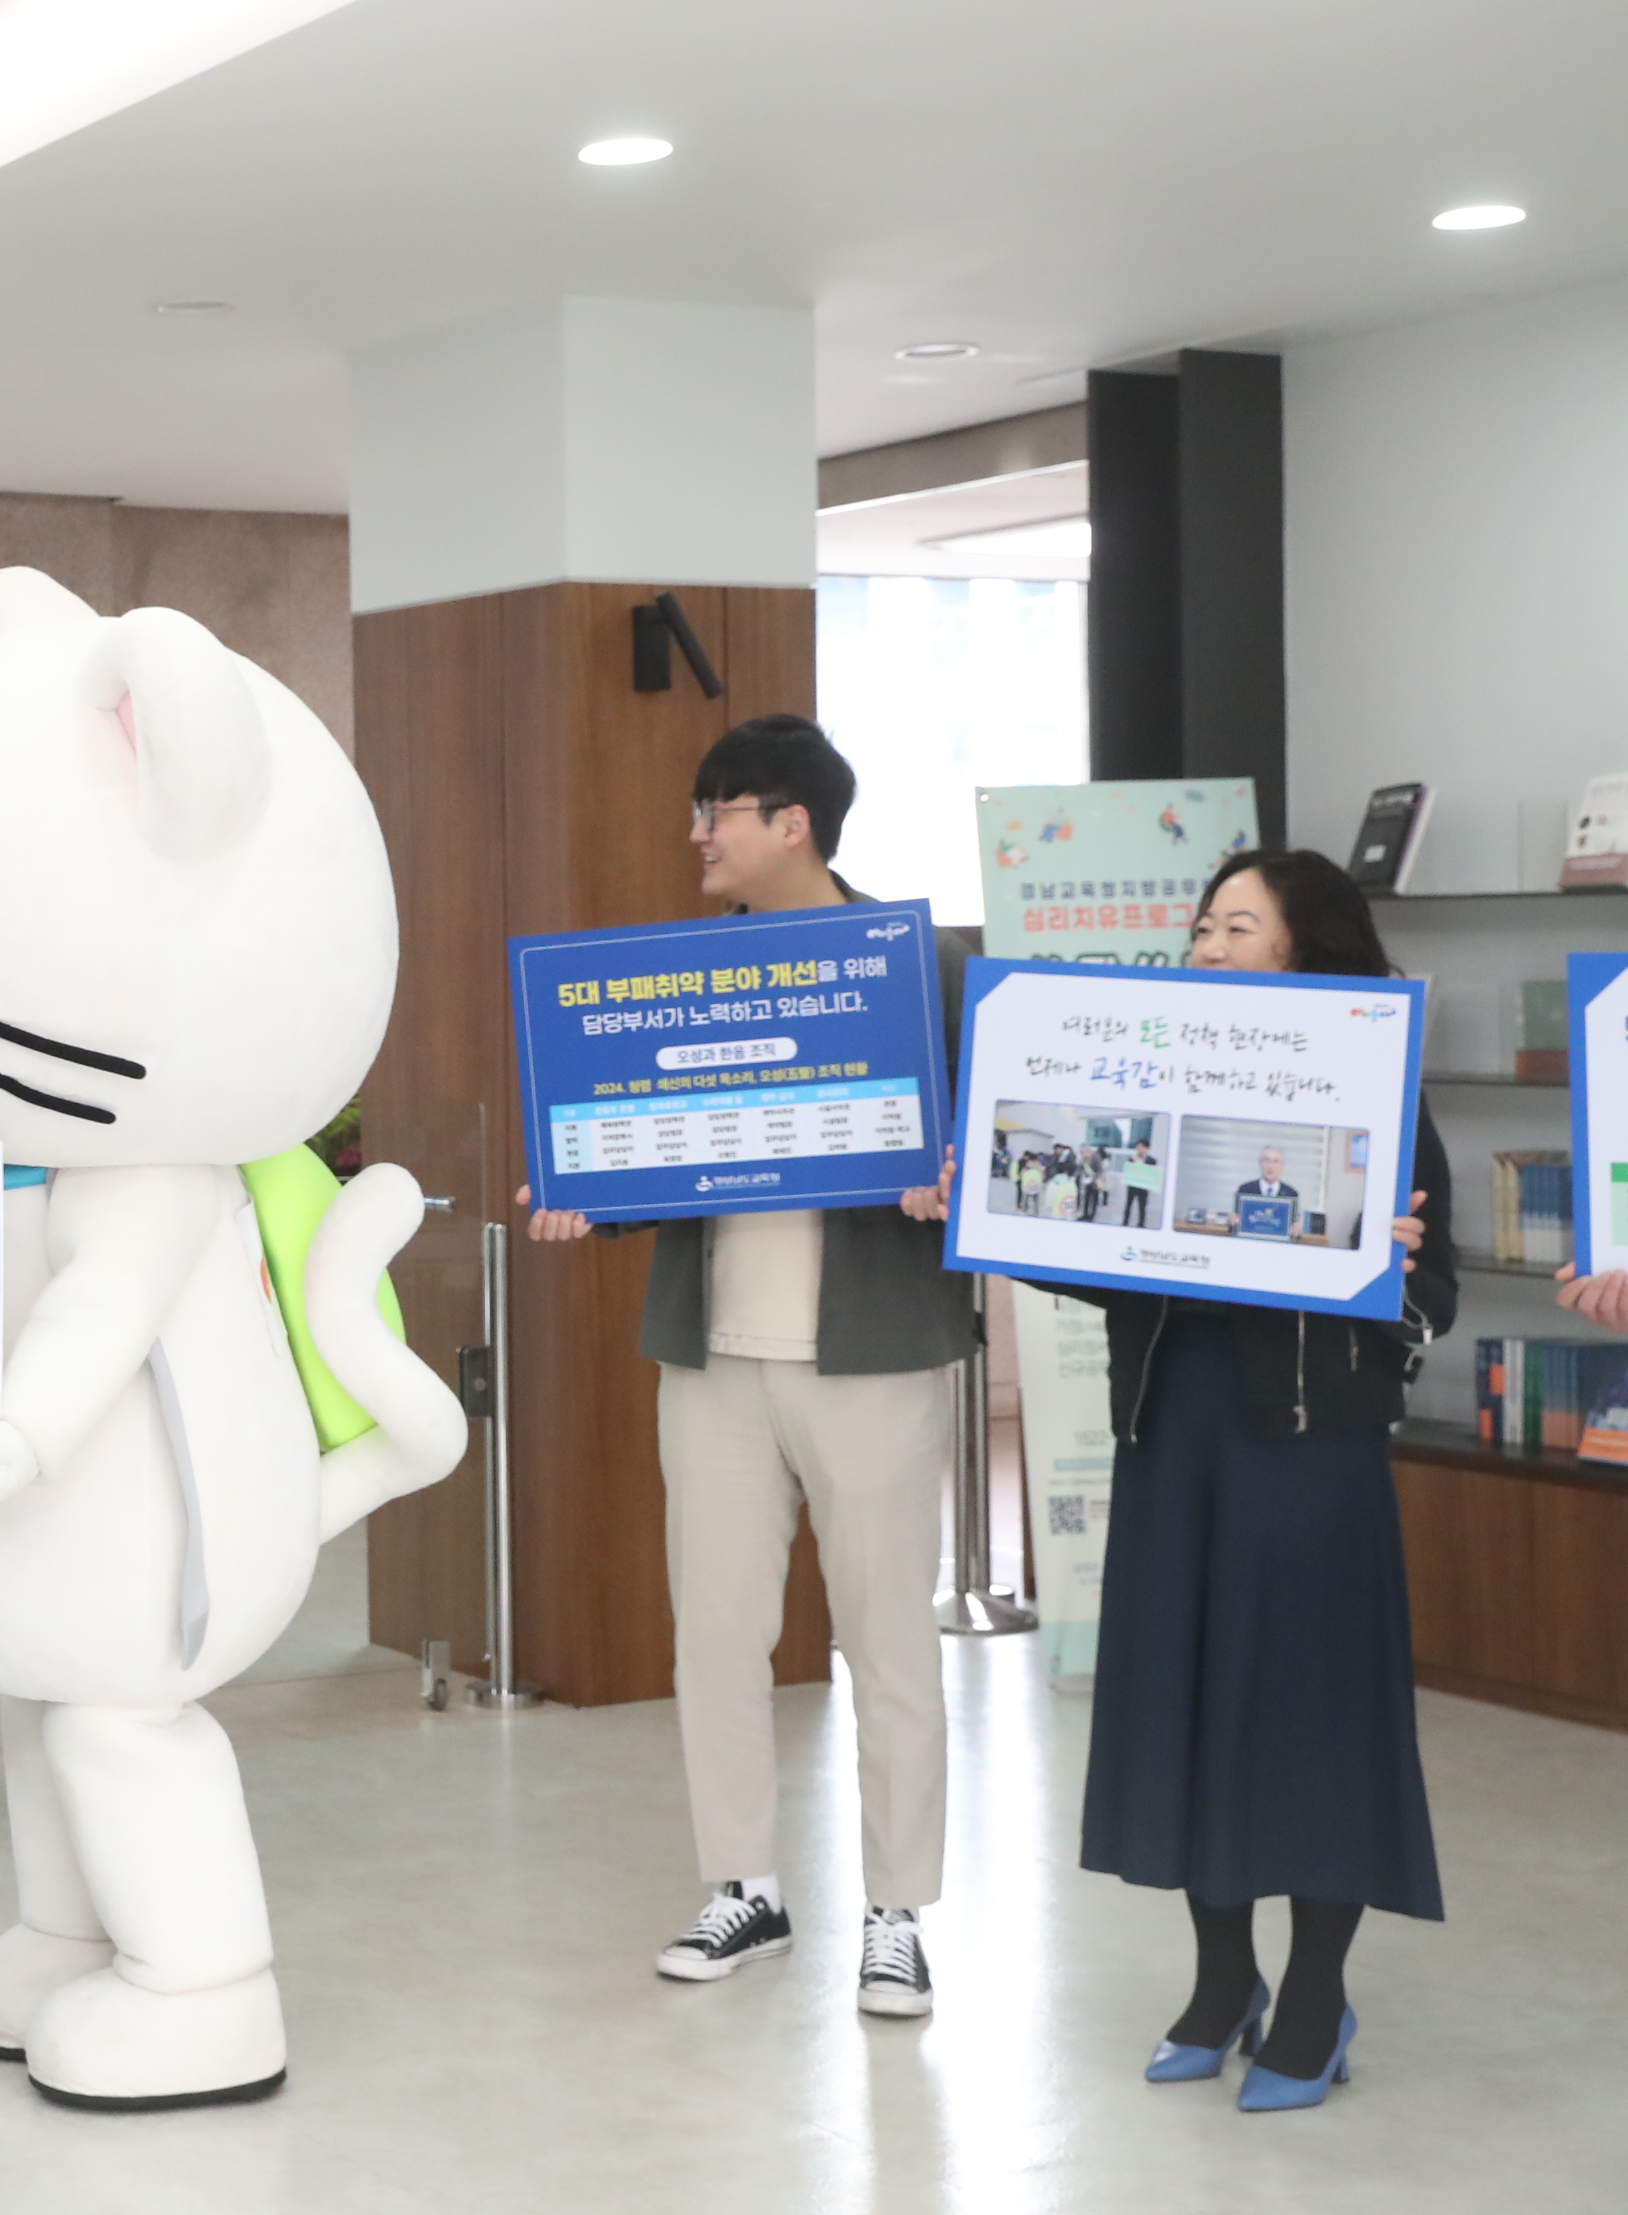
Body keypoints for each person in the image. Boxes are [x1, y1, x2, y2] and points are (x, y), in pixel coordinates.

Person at [516, 716, 973, 2020]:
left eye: (723, 810)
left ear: (797, 827)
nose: (700, 835)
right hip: (711, 1361)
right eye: (699, 810)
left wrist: (951, 1188)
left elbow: (994, 1154)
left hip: (875, 1355)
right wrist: (580, 1198)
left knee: (889, 1640)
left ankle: (898, 1913)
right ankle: (743, 1891)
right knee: (714, 1638)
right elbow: (645, 1150)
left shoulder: (919, 967)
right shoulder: (680, 981)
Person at [1033, 851, 1448, 2112]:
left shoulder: (1382, 1082)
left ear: (1303, 947)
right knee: (1190, 1703)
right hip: (1178, 1432)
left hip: (1312, 1449)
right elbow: (1108, 1255)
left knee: (1310, 1721)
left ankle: (1314, 1992)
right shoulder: (1145, 1079)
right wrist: (1006, 1215)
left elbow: (1433, 1295)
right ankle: (1224, 1982)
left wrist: (1383, 1257)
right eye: (1202, 924)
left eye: (1237, 925)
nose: (1208, 943)